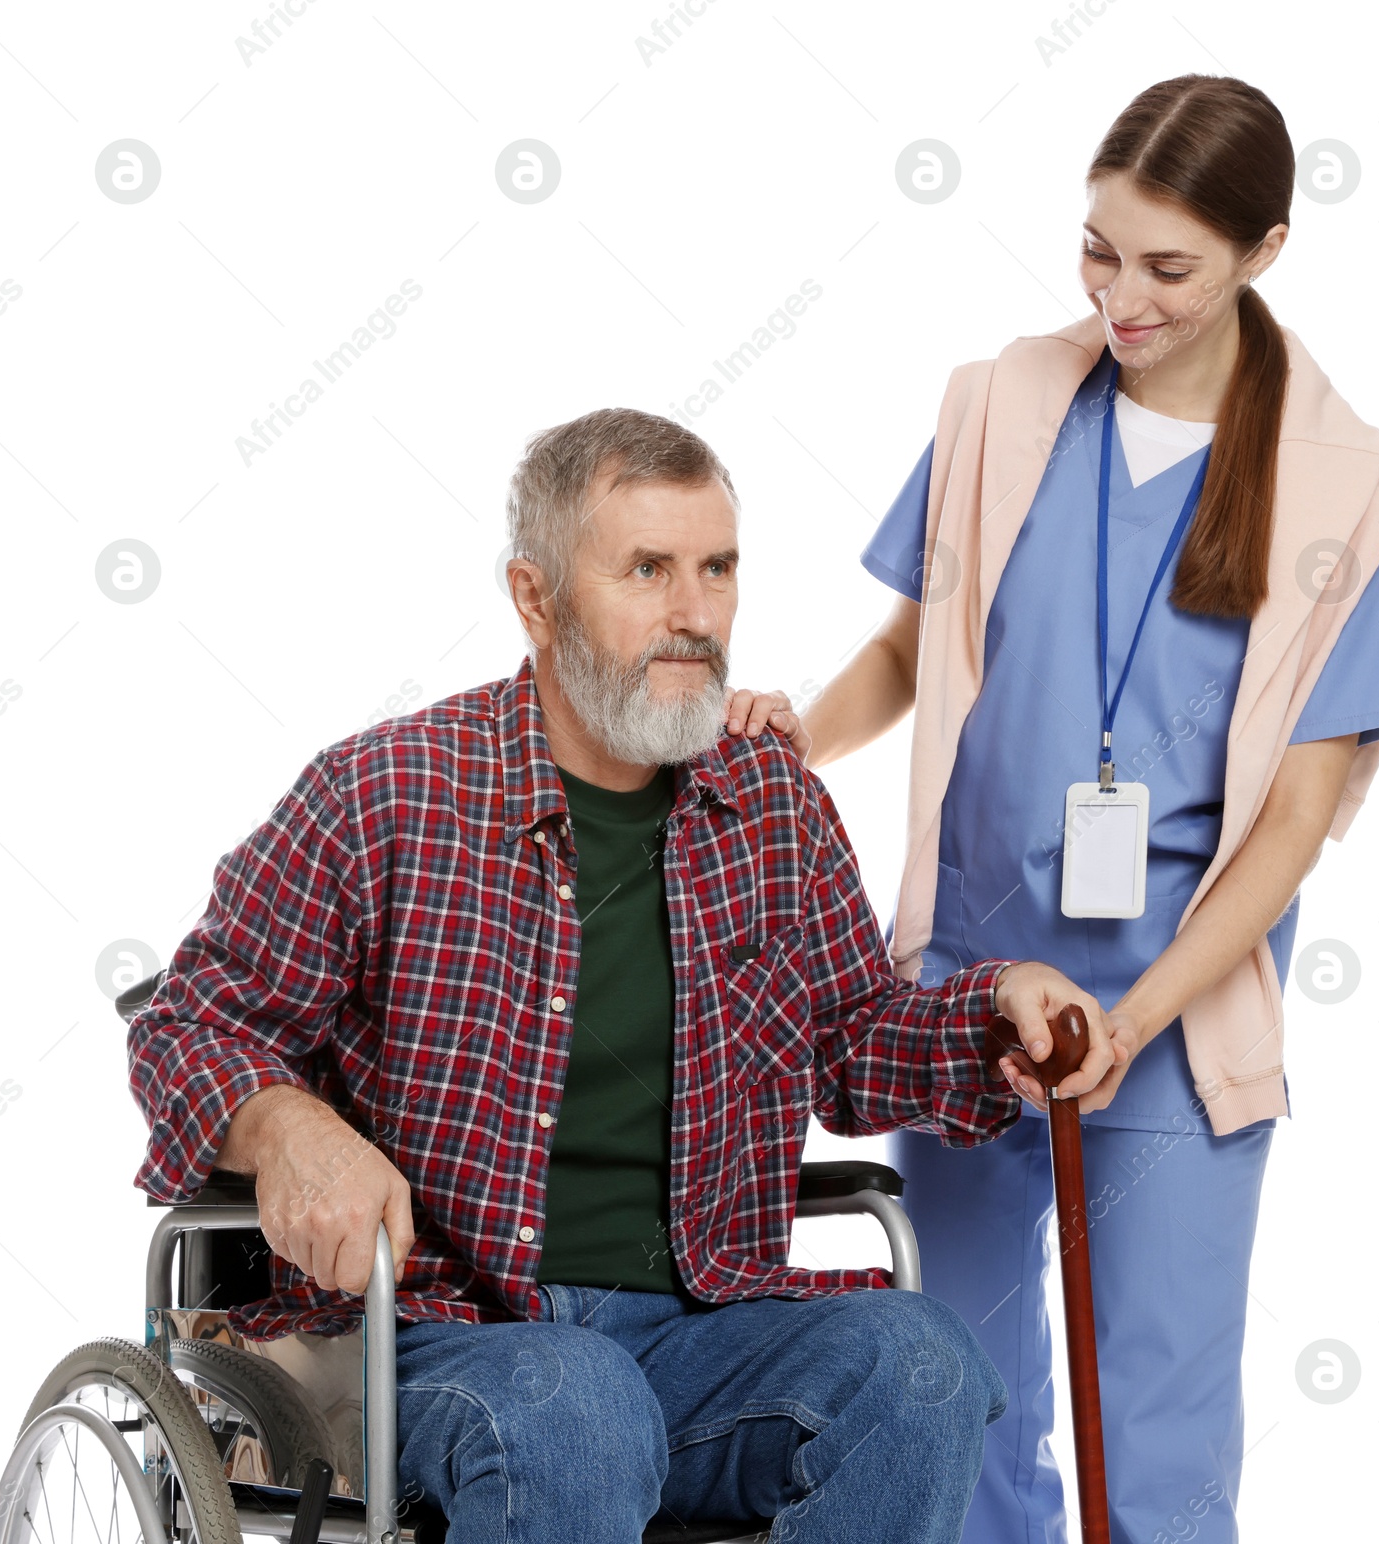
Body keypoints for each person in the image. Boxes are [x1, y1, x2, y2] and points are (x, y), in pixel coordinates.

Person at [125, 407, 1122, 1543]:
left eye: (716, 568)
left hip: (702, 1324)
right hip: (430, 1329)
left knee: (926, 1364)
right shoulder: (386, 794)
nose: (695, 614)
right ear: (536, 596)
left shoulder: (771, 804)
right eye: (646, 570)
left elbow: (849, 1040)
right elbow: (192, 1024)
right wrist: (289, 1128)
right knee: (575, 1401)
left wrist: (995, 1013)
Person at [725, 74, 1379, 1544]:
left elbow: (1297, 825)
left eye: (1167, 266)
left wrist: (1139, 1020)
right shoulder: (1004, 404)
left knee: (1160, 1427)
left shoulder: (1350, 502)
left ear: (1266, 249)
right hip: (969, 1000)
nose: (1120, 296)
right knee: (960, 1390)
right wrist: (800, 735)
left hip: (1179, 1023)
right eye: (1098, 251)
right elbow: (908, 647)